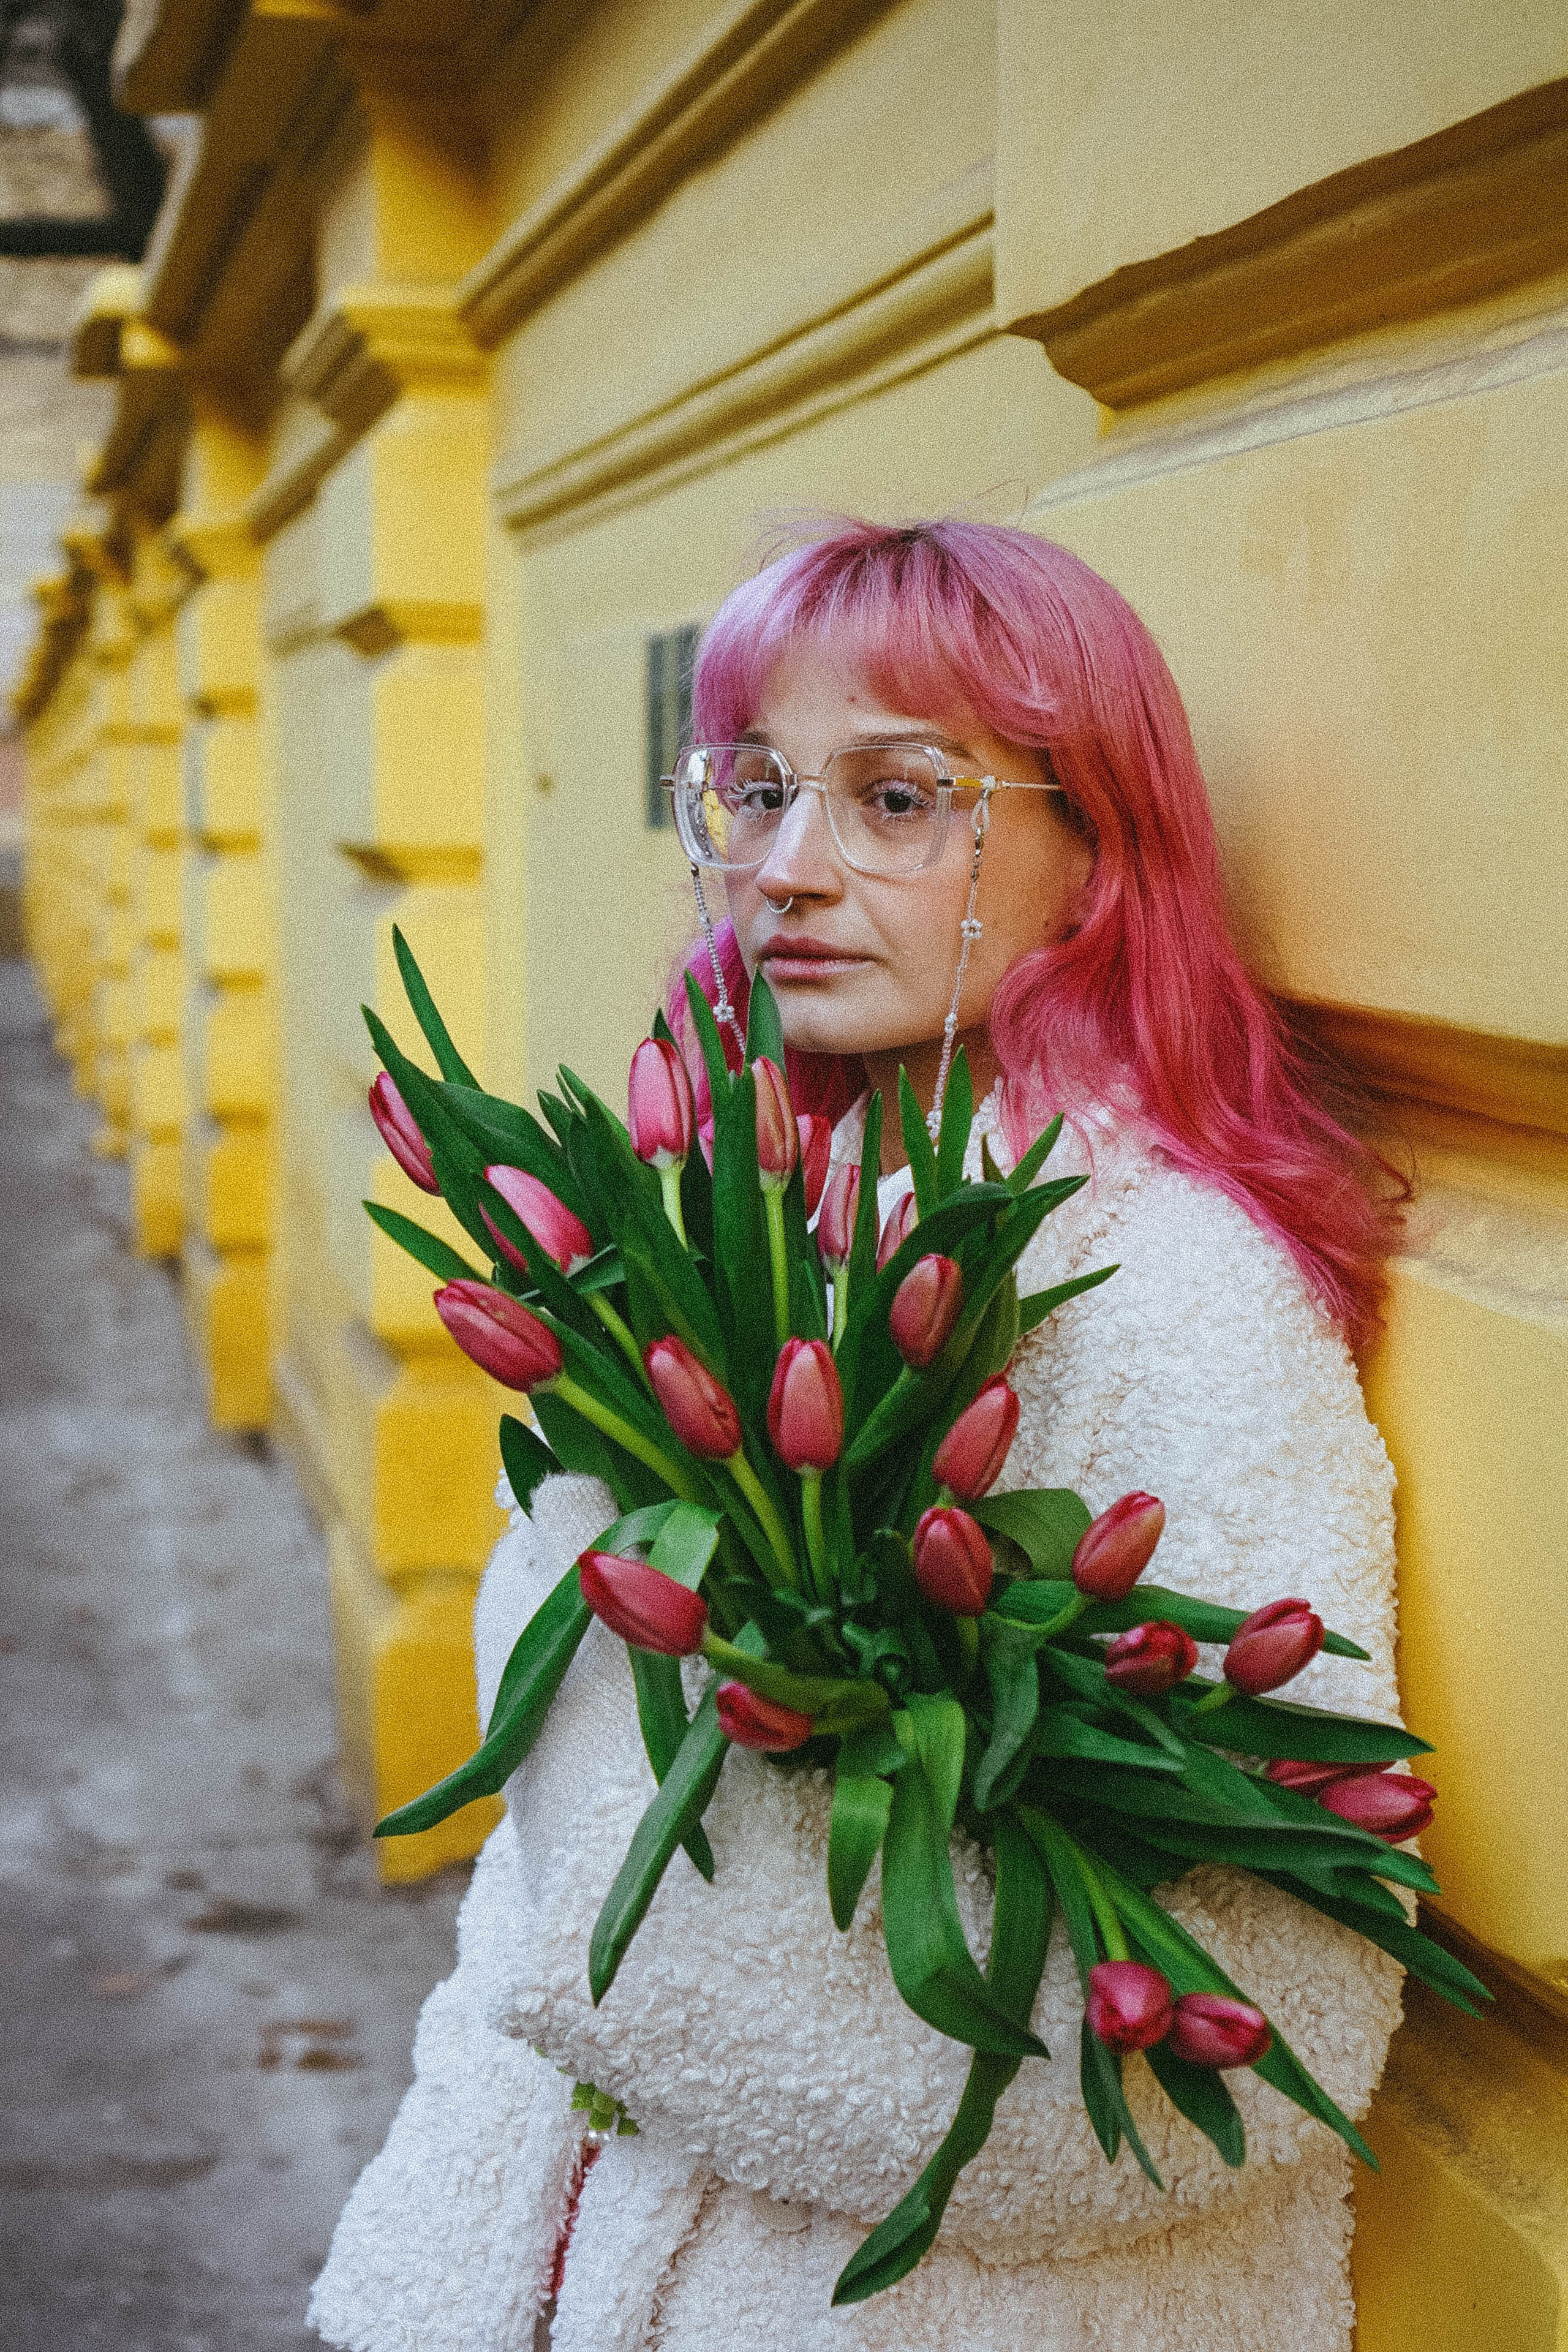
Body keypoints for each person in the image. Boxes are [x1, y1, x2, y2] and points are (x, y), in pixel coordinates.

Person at [310, 520, 1409, 2352]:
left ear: (1099, 857)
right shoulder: (763, 1208)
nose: (788, 871)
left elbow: (1258, 2014)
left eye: (898, 801)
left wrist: (627, 1926)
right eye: (752, 791)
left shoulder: (1177, 1298)